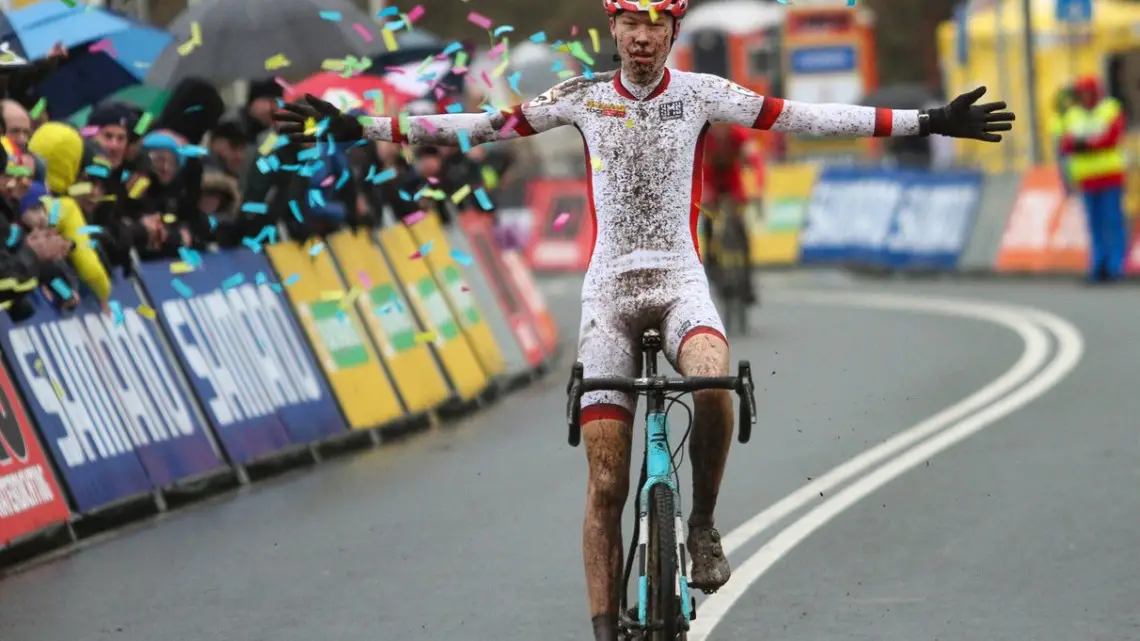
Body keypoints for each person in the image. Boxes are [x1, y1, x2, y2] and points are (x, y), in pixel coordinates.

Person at [272, 0, 1014, 637]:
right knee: (604, 480)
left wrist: (929, 119)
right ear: (613, 26)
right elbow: (483, 125)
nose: (640, 37)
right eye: (629, 21)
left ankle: (701, 525)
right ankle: (602, 627)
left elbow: (807, 116)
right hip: (608, 297)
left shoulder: (701, 93)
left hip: (680, 280)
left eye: (654, 24)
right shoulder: (581, 96)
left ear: (672, 31)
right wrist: (357, 126)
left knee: (715, 383)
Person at [1059, 75, 1127, 283]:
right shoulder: (1073, 115)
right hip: (1087, 180)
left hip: (1110, 176)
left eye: (1089, 92)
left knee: (1113, 221)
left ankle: (1115, 267)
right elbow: (1067, 144)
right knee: (1094, 225)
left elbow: (1111, 137)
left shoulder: (1110, 109)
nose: (1086, 97)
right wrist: (1091, 142)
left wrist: (1084, 145)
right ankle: (1098, 265)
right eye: (1082, 93)